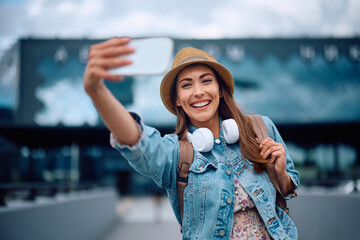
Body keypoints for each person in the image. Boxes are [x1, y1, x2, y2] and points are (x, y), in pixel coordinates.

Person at [83, 37, 300, 240]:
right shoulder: (177, 153)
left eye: (206, 81)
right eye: (187, 85)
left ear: (220, 90)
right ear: (177, 99)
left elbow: (289, 187)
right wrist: (96, 91)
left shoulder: (261, 128)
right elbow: (136, 142)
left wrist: (280, 172)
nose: (198, 92)